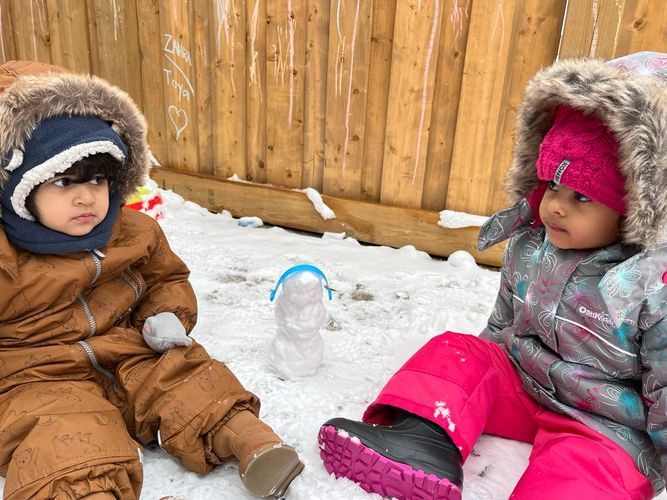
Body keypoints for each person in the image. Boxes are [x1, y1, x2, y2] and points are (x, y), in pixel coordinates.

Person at [318, 51, 667, 500]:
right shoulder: (529, 244)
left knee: (588, 470)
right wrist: (474, 388)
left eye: (582, 196)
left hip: (606, 426)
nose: (556, 205)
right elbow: (503, 325)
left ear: (635, 208)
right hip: (524, 385)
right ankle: (423, 441)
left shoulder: (650, 286)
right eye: (553, 187)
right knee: (458, 351)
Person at [0, 60, 303, 499]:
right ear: (14, 188)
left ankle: (247, 440)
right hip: (34, 375)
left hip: (127, 348)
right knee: (61, 435)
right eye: (65, 181)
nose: (88, 197)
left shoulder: (132, 231)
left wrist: (165, 313)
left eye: (100, 180)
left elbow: (166, 278)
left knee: (183, 374)